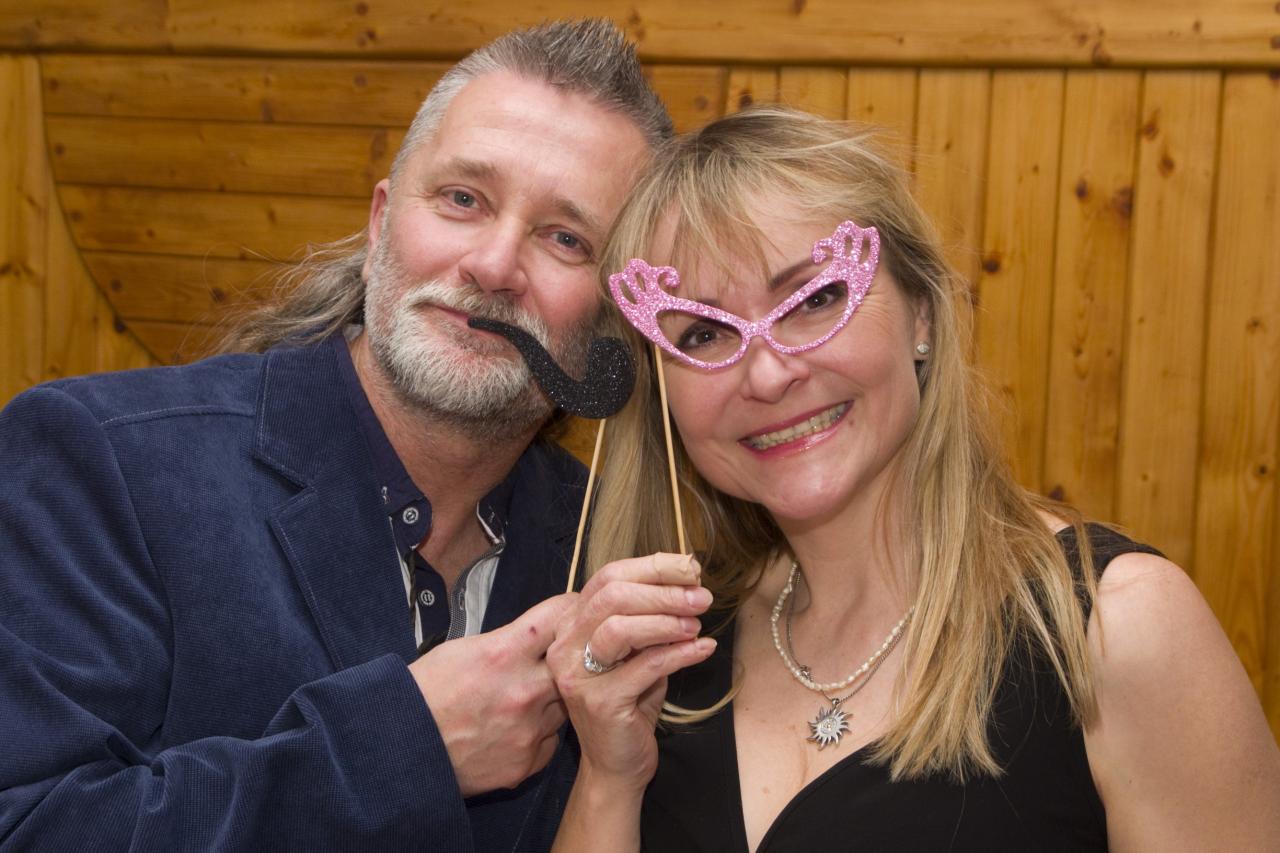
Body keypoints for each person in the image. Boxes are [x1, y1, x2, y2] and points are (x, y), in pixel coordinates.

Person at [0, 20, 679, 851]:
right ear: (380, 224)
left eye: (565, 239)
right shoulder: (99, 460)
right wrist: (404, 747)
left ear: (616, 315)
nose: (495, 266)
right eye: (463, 199)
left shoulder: (615, 551)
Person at [546, 106, 1280, 851]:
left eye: (817, 299)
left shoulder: (1113, 628)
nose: (766, 375)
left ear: (921, 314)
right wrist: (609, 776)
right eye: (703, 333)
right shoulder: (668, 652)